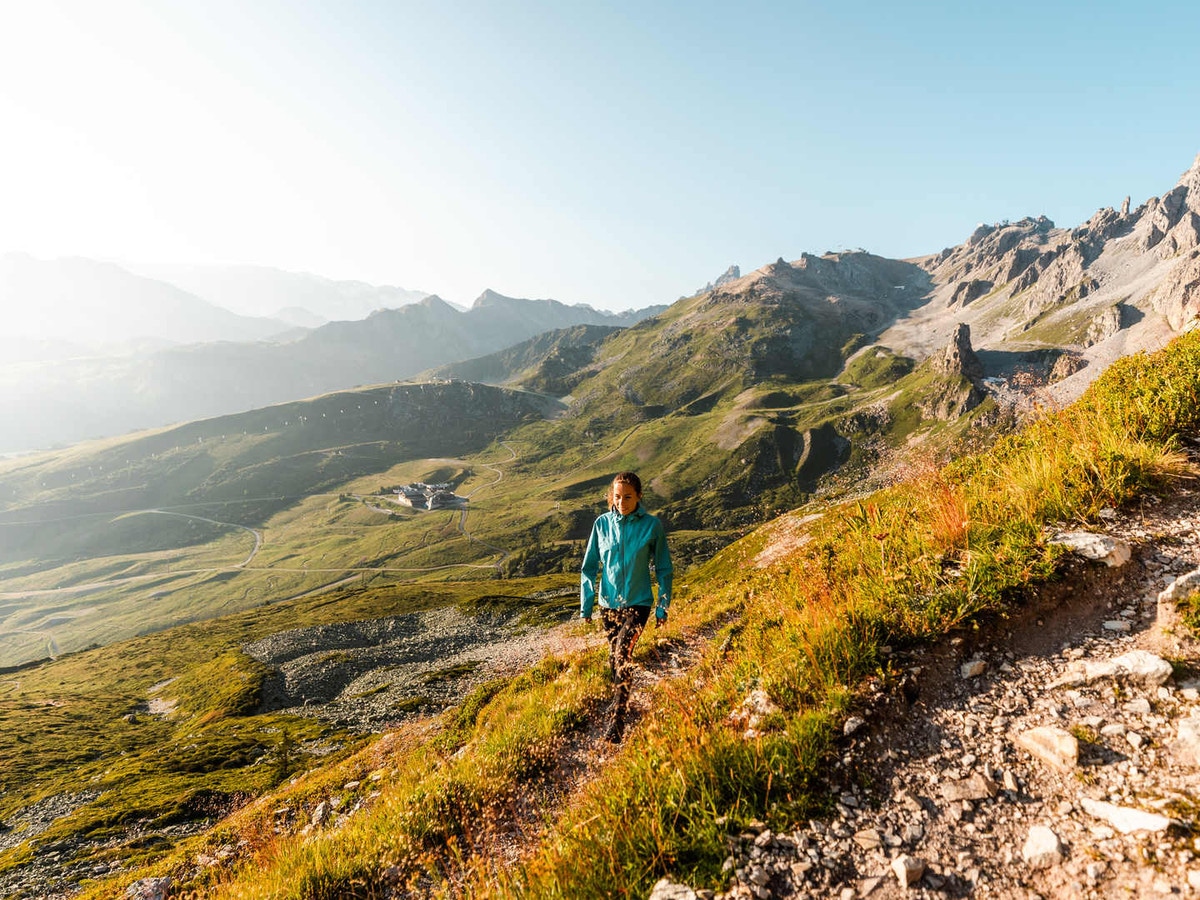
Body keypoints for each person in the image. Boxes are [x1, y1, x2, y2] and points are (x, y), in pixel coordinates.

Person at [580, 471, 673, 742]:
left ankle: (618, 721)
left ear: (639, 497)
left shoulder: (651, 526)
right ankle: (620, 700)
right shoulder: (601, 524)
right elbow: (588, 569)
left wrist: (662, 606)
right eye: (618, 496)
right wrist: (586, 606)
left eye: (628, 497)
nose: (622, 502)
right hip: (608, 606)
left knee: (622, 654)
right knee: (615, 658)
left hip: (639, 604)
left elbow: (664, 569)